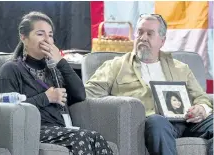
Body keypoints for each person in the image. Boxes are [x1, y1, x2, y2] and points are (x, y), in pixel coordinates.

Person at [85, 14, 213, 155]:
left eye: (150, 34)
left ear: (162, 41)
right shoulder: (116, 66)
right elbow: (89, 92)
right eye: (140, 32)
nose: (143, 37)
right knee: (157, 122)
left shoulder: (181, 68)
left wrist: (201, 108)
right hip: (152, 123)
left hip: (186, 121)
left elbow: (201, 97)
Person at [0, 11, 113, 155]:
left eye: (50, 35)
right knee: (81, 138)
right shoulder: (11, 69)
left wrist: (61, 61)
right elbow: (6, 112)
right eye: (40, 34)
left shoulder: (54, 69)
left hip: (60, 129)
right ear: (23, 37)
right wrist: (46, 97)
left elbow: (80, 95)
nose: (47, 40)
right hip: (31, 130)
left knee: (96, 137)